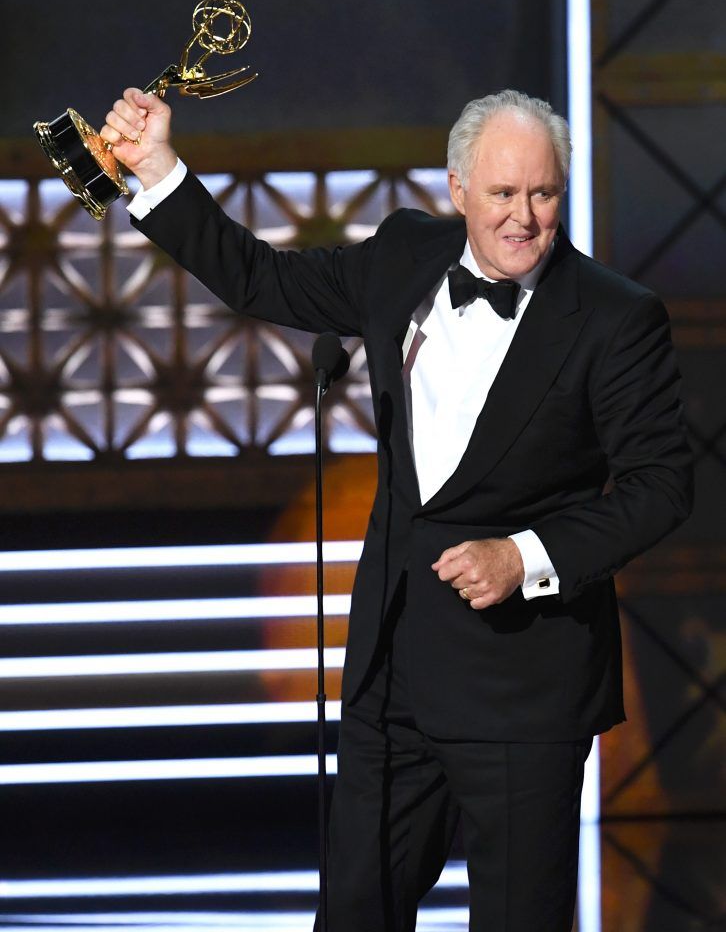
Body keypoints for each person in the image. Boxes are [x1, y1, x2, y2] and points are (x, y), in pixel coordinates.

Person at [101, 88, 693, 932]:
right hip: (393, 674)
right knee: (354, 915)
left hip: (523, 690)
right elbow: (259, 276)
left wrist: (523, 556)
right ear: (457, 189)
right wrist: (157, 168)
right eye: (503, 194)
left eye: (544, 194)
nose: (525, 217)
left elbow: (661, 486)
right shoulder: (403, 256)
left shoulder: (615, 316)